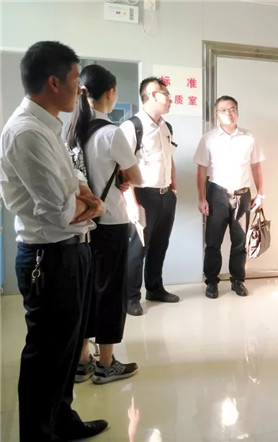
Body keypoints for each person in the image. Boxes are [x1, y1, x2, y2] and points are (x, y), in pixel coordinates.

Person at [0, 40, 108, 441]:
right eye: (76, 79)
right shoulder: (26, 133)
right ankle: (38, 434)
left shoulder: (48, 125)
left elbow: (72, 183)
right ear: (53, 82)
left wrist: (83, 198)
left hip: (69, 251)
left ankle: (62, 421)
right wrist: (91, 205)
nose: (81, 88)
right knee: (46, 354)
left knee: (67, 347)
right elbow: (60, 210)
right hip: (48, 258)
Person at [65, 64, 141, 384]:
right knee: (111, 292)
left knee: (85, 291)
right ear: (110, 93)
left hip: (82, 225)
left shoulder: (71, 131)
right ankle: (106, 363)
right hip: (110, 222)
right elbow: (137, 177)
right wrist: (124, 175)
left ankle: (82, 360)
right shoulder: (111, 133)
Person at [193, 95, 264, 299]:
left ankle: (237, 280)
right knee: (213, 241)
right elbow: (201, 171)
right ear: (216, 114)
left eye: (232, 109)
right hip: (216, 193)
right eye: (223, 110)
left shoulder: (249, 137)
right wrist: (202, 198)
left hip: (243, 195)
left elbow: (256, 167)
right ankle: (211, 282)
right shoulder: (208, 138)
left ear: (237, 112)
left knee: (239, 241)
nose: (228, 113)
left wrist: (261, 193)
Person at [120, 77, 179, 316]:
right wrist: (131, 202)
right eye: (166, 93)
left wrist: (173, 188)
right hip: (142, 195)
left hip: (165, 196)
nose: (170, 98)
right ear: (153, 94)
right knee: (137, 249)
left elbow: (169, 159)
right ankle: (131, 297)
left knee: (159, 245)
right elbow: (123, 168)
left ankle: (155, 288)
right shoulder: (132, 127)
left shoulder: (166, 127)